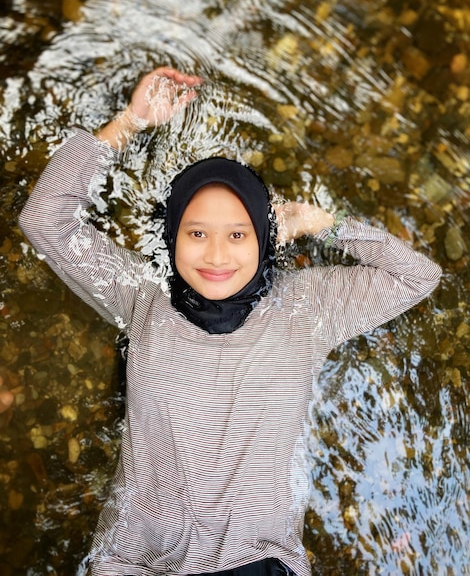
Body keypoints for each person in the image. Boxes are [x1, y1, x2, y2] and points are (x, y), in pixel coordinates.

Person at [19, 67, 442, 576]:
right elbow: (44, 220)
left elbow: (417, 277)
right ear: (171, 238)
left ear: (263, 240)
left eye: (238, 235)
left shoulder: (307, 307)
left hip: (256, 561)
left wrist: (320, 224)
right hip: (134, 562)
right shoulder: (140, 298)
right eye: (196, 233)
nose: (216, 255)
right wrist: (131, 120)